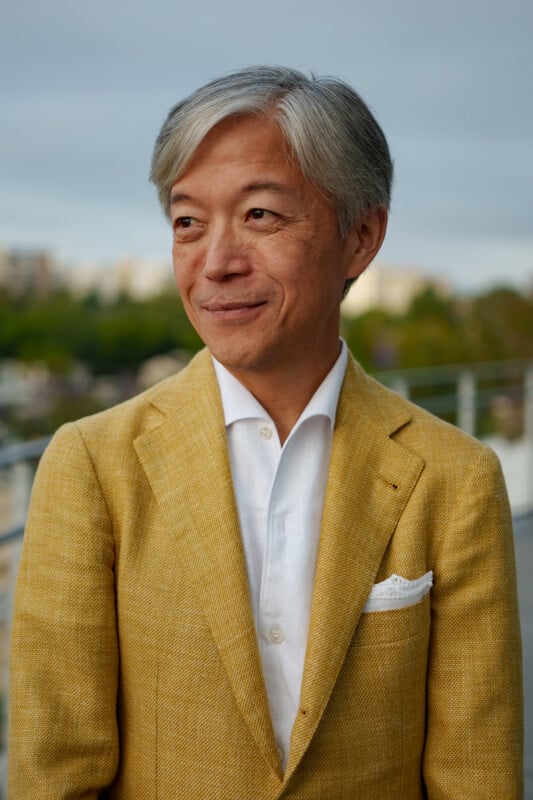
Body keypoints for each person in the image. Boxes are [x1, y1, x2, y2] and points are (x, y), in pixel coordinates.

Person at [9, 66, 523, 799]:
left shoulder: (454, 479)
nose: (215, 262)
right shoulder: (93, 466)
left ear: (361, 236)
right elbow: (53, 774)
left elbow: (477, 777)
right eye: (187, 223)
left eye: (260, 216)